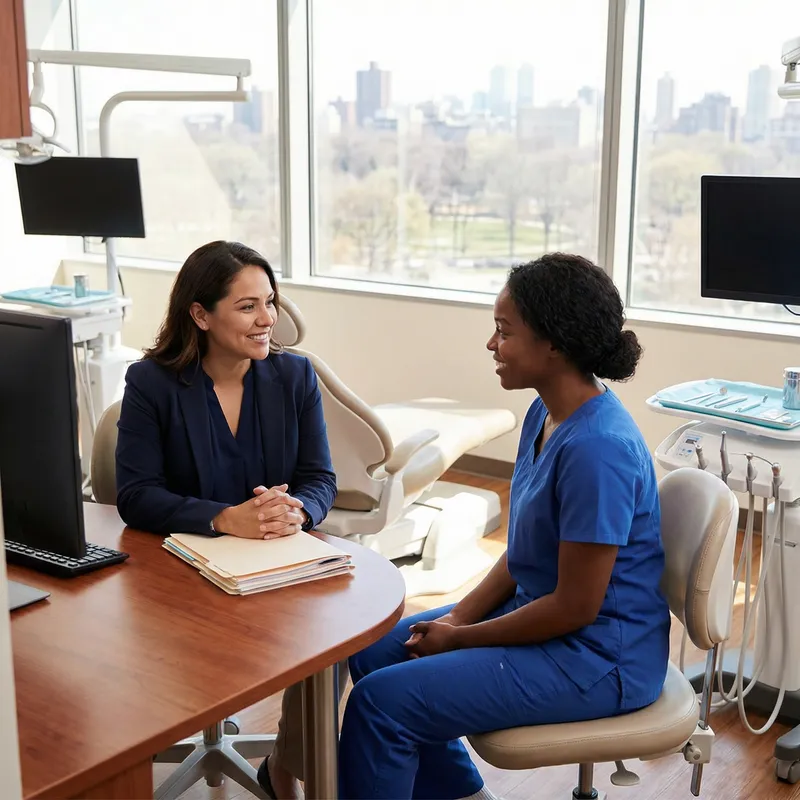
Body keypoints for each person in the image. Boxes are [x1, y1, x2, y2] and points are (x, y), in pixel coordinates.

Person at [337, 253, 672, 800]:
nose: (491, 346)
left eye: (503, 332)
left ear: (554, 344)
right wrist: (458, 619)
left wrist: (462, 637)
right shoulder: (546, 414)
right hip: (550, 621)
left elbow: (575, 608)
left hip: (597, 658)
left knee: (383, 705)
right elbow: (523, 554)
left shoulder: (597, 450)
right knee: (377, 649)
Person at [115, 240, 340, 799]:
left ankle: (286, 761)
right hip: (182, 571)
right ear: (200, 314)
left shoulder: (295, 377)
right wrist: (223, 518)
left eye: (270, 302)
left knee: (338, 635)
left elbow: (320, 479)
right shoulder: (152, 383)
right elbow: (136, 496)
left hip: (274, 561)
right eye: (247, 306)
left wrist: (299, 511)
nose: (268, 319)